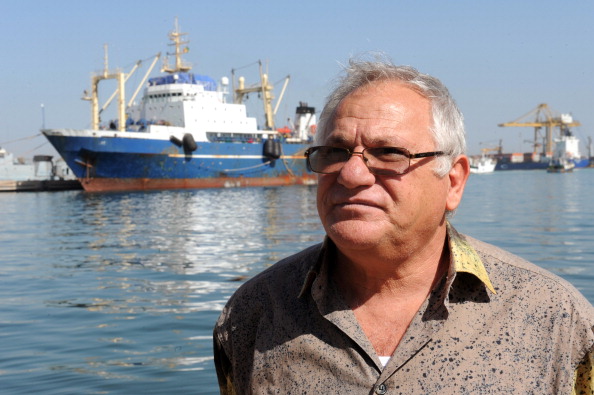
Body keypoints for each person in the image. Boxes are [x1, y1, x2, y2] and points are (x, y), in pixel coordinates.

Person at [213, 58, 594, 394]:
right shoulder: (253, 313)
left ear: (454, 181)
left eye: (389, 153)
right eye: (334, 152)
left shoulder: (555, 317)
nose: (351, 173)